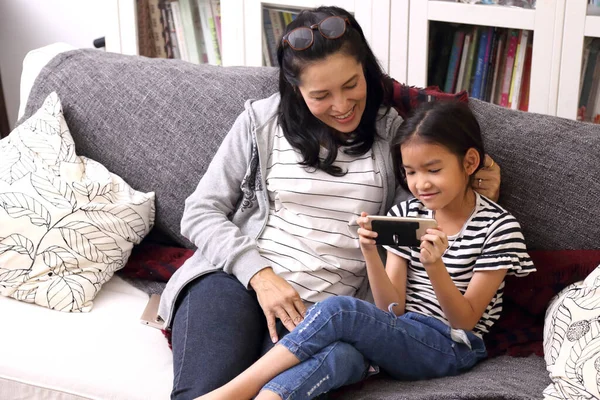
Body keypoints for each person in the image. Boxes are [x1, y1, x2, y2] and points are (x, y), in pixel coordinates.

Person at [159, 6, 501, 399]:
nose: (341, 105)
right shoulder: (261, 121)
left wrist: (474, 186)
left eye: (351, 84)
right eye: (321, 95)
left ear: (367, 72)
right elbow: (200, 211)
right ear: (296, 89)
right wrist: (260, 275)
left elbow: (428, 209)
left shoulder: (395, 136)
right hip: (235, 282)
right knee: (203, 391)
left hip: (319, 313)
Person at [197, 100, 535, 400]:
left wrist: (435, 267)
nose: (421, 184)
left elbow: (466, 321)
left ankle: (230, 393)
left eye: (434, 170)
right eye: (411, 172)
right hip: (401, 334)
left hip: (450, 346)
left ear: (470, 162)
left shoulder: (498, 228)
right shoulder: (407, 215)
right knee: (338, 357)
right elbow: (393, 306)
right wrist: (371, 253)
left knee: (338, 310)